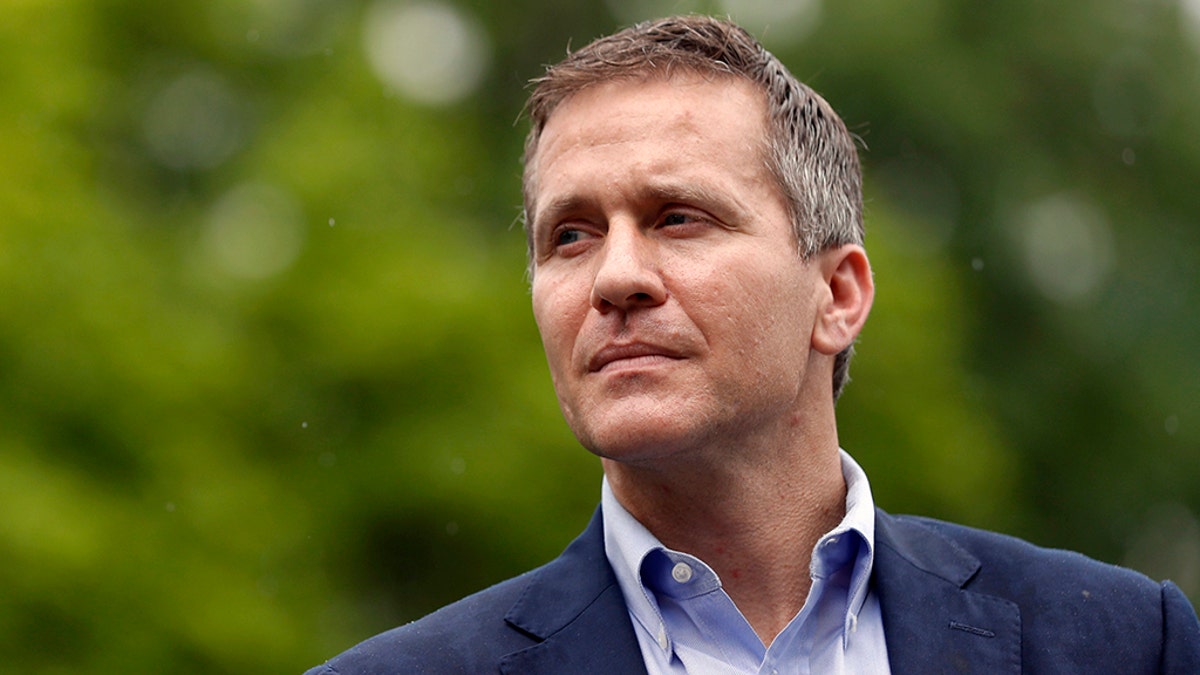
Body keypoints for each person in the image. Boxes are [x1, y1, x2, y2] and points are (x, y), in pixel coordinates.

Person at [306, 15, 1200, 674]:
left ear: (837, 294)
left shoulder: (1124, 643)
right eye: (569, 235)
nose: (615, 276)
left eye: (678, 217)